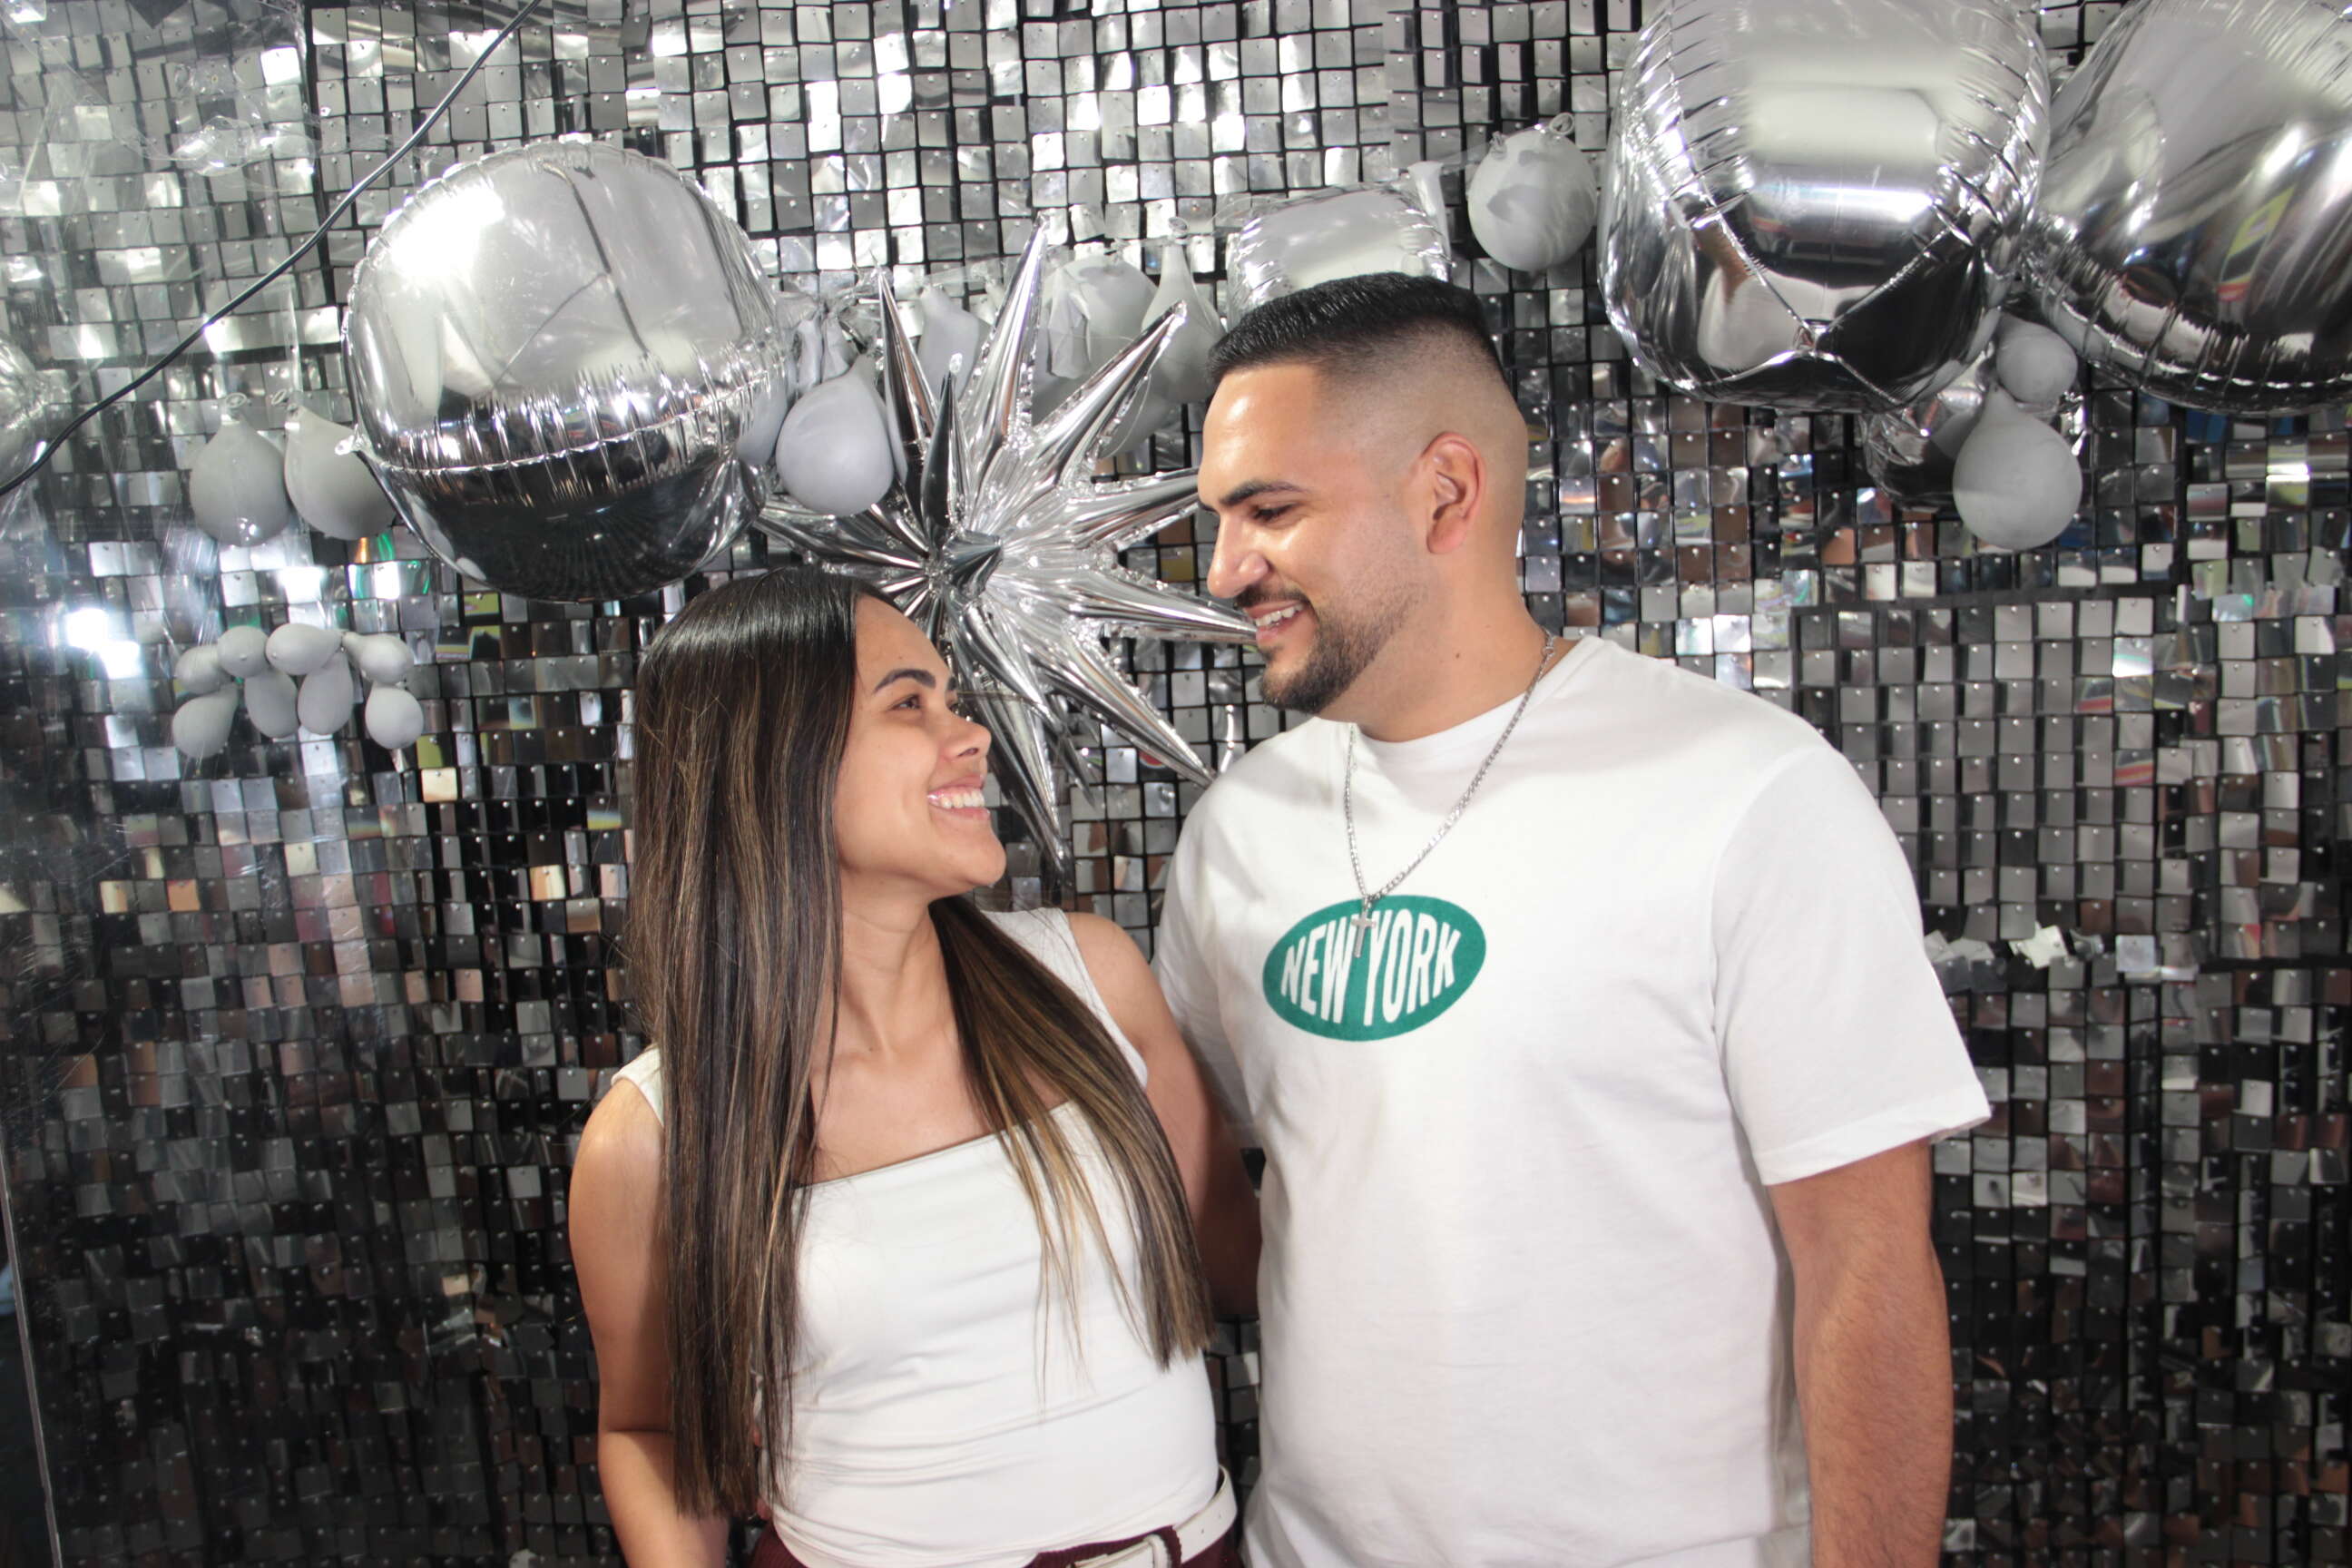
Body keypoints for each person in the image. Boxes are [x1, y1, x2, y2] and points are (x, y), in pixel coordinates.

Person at [1154, 274, 1992, 1568]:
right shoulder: (1236, 834)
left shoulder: (1749, 795)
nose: (1224, 571)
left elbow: (1868, 1269)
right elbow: (1221, 1199)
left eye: (1270, 511)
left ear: (1446, 491)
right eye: (1220, 519)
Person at [570, 567, 1259, 1568]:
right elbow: (651, 1429)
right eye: (908, 704)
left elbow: (1242, 1263)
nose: (970, 734)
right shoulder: (651, 1135)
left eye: (953, 699)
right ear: (775, 760)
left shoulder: (1092, 978)